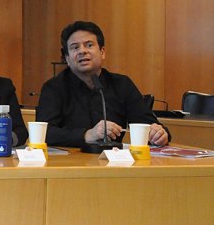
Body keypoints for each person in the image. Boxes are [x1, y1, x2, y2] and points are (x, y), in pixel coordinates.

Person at [36, 21, 169, 147]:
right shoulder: (53, 88)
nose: (82, 51)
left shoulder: (122, 84)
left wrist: (159, 134)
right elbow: (45, 133)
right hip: (71, 166)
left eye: (89, 45)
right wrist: (86, 135)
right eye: (75, 47)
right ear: (67, 59)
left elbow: (148, 124)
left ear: (102, 52)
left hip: (115, 164)